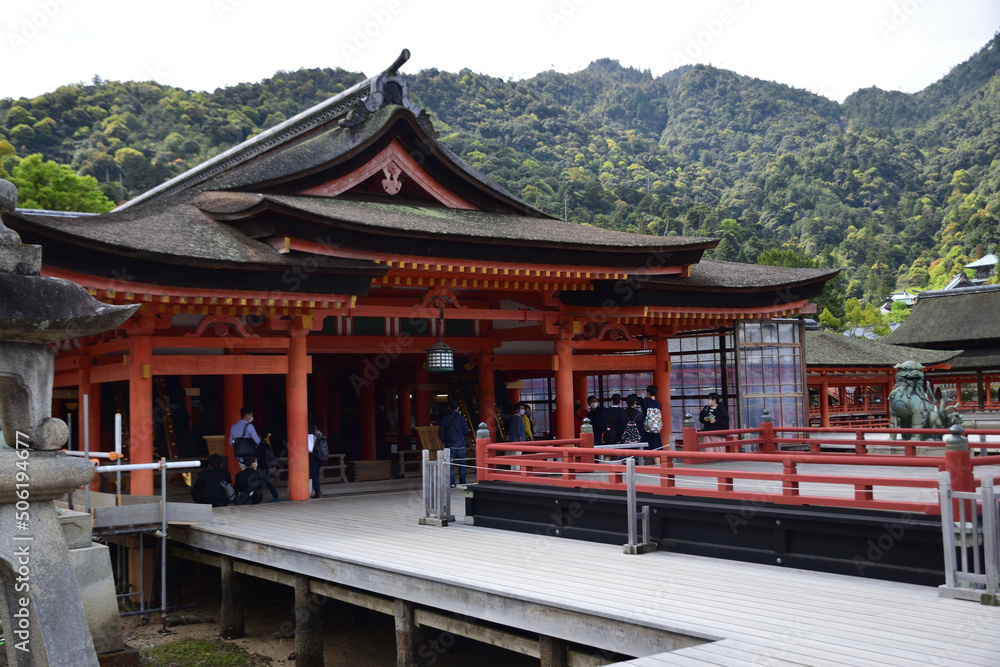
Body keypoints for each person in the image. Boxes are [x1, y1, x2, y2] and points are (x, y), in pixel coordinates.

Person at [438, 399, 470, 487]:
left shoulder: (445, 418)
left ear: (449, 408)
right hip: (460, 445)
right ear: (458, 408)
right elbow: (466, 430)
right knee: (462, 465)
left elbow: (441, 433)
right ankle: (462, 482)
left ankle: (452, 483)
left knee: (450, 465)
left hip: (449, 445)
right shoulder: (461, 418)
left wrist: (445, 441)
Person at [307, 420, 325, 499]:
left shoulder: (313, 436)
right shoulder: (323, 435)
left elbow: (310, 448)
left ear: (315, 427)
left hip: (315, 457)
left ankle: (318, 491)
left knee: (313, 475)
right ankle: (317, 491)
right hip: (321, 457)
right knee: (315, 475)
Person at [643, 385, 664, 451]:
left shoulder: (645, 401)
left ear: (648, 393)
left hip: (647, 427)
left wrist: (638, 394)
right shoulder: (658, 404)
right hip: (656, 428)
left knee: (646, 448)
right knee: (657, 447)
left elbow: (634, 399)